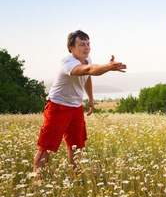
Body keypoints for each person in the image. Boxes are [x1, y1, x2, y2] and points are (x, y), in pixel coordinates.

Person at [33, 30, 127, 179]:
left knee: (76, 145)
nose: (87, 47)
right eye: (82, 44)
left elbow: (87, 75)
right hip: (58, 107)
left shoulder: (87, 60)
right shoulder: (68, 62)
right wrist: (107, 67)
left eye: (88, 44)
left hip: (76, 108)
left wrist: (90, 98)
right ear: (71, 47)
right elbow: (88, 70)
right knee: (46, 146)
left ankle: (77, 178)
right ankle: (37, 183)